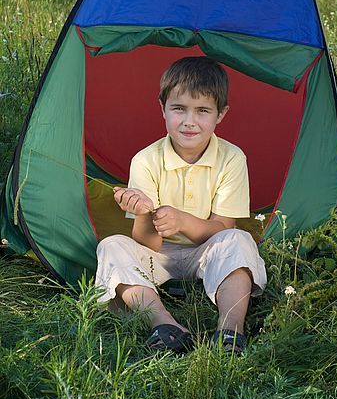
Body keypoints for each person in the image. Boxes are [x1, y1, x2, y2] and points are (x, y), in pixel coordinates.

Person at [95, 56, 267, 354]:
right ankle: (165, 325)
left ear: (220, 115)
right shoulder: (146, 161)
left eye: (202, 111)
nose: (189, 121)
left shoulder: (231, 158)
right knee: (111, 246)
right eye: (178, 109)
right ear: (162, 109)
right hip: (158, 255)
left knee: (239, 240)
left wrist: (183, 221)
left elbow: (224, 228)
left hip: (207, 251)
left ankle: (230, 330)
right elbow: (146, 242)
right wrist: (143, 214)